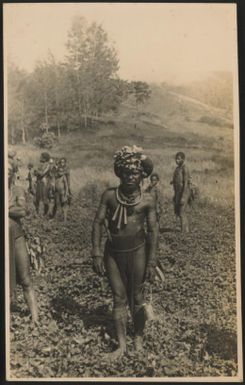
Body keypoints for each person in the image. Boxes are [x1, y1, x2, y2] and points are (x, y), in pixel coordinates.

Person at [92, 145, 158, 360]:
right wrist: (96, 253)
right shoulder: (109, 196)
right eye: (127, 172)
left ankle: (138, 338)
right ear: (119, 172)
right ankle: (121, 346)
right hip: (113, 253)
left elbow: (153, 231)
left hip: (138, 251)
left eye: (136, 173)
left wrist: (151, 263)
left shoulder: (148, 200)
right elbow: (98, 223)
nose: (131, 176)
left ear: (142, 176)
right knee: (119, 297)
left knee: (137, 296)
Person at [8, 153, 38, 323]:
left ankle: (35, 317)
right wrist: (12, 208)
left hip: (17, 236)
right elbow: (16, 210)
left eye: (8, 171)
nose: (5, 173)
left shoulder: (17, 190)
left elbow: (22, 211)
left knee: (25, 278)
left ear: (12, 174)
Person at [171, 151, 191, 233]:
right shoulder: (177, 168)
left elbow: (185, 183)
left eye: (179, 159)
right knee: (179, 212)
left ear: (183, 159)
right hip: (178, 192)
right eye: (176, 159)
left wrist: (183, 197)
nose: (177, 160)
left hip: (184, 192)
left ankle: (184, 233)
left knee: (182, 212)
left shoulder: (185, 168)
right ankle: (185, 230)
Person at [54, 157, 71, 223]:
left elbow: (67, 184)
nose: (62, 163)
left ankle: (65, 219)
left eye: (63, 162)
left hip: (63, 191)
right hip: (57, 191)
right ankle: (59, 217)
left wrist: (66, 192)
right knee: (57, 203)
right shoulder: (57, 174)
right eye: (61, 162)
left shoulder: (65, 172)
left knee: (64, 204)